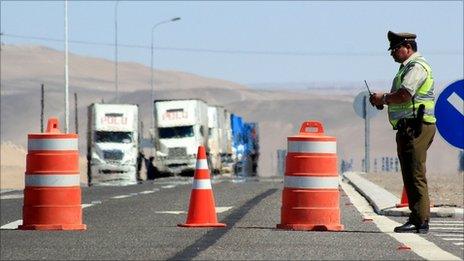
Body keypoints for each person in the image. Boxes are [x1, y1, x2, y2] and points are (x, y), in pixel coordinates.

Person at [370, 31, 436, 234]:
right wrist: (383, 101)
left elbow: (405, 94)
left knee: (415, 174)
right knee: (410, 173)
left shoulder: (416, 67)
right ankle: (416, 217)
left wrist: (384, 99)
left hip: (416, 126)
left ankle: (420, 220)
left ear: (408, 47)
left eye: (396, 49)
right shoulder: (405, 69)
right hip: (408, 127)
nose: (393, 54)